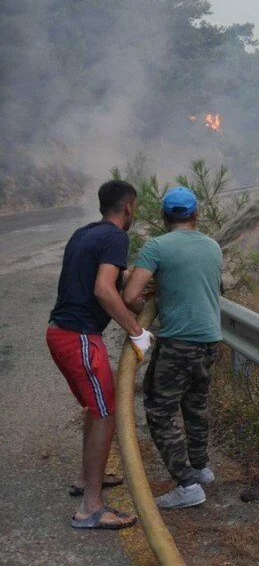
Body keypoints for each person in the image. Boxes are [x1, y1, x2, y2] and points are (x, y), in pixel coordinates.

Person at [47, 179, 154, 530]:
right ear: (128, 207)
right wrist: (137, 332)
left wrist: (133, 281)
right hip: (79, 337)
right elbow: (103, 290)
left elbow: (100, 277)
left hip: (60, 334)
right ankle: (91, 507)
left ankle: (85, 478)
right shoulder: (116, 237)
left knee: (97, 408)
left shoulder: (85, 233)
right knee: (106, 412)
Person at [124, 186, 223, 510]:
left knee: (159, 410)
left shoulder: (157, 247)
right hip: (210, 341)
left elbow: (130, 295)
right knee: (196, 406)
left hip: (179, 343)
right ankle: (200, 468)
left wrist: (148, 303)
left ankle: (187, 484)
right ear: (196, 214)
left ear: (164, 216)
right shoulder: (212, 246)